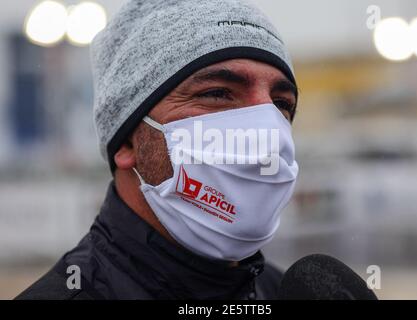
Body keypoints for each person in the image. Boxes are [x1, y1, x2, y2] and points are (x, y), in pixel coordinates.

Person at [16, 0, 299, 300]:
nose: (266, 131)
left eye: (281, 104)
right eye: (217, 93)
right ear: (127, 141)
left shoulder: (285, 293)